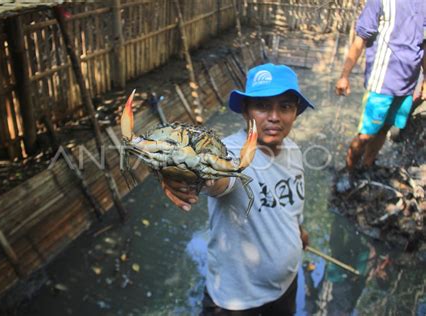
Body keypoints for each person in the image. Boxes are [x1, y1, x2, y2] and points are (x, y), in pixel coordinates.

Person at [161, 63, 314, 315]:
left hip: (286, 285)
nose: (274, 116)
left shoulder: (293, 151)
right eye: (263, 106)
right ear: (246, 111)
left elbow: (290, 206)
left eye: (285, 106)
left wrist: (298, 231)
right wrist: (185, 172)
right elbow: (216, 175)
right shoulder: (231, 153)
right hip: (236, 301)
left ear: (295, 112)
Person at [335, 0, 426, 171]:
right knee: (366, 134)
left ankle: (368, 165)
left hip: (407, 85)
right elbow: (359, 40)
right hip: (382, 84)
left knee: (385, 128)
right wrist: (344, 76)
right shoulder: (380, 1)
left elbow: (424, 45)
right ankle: (348, 171)